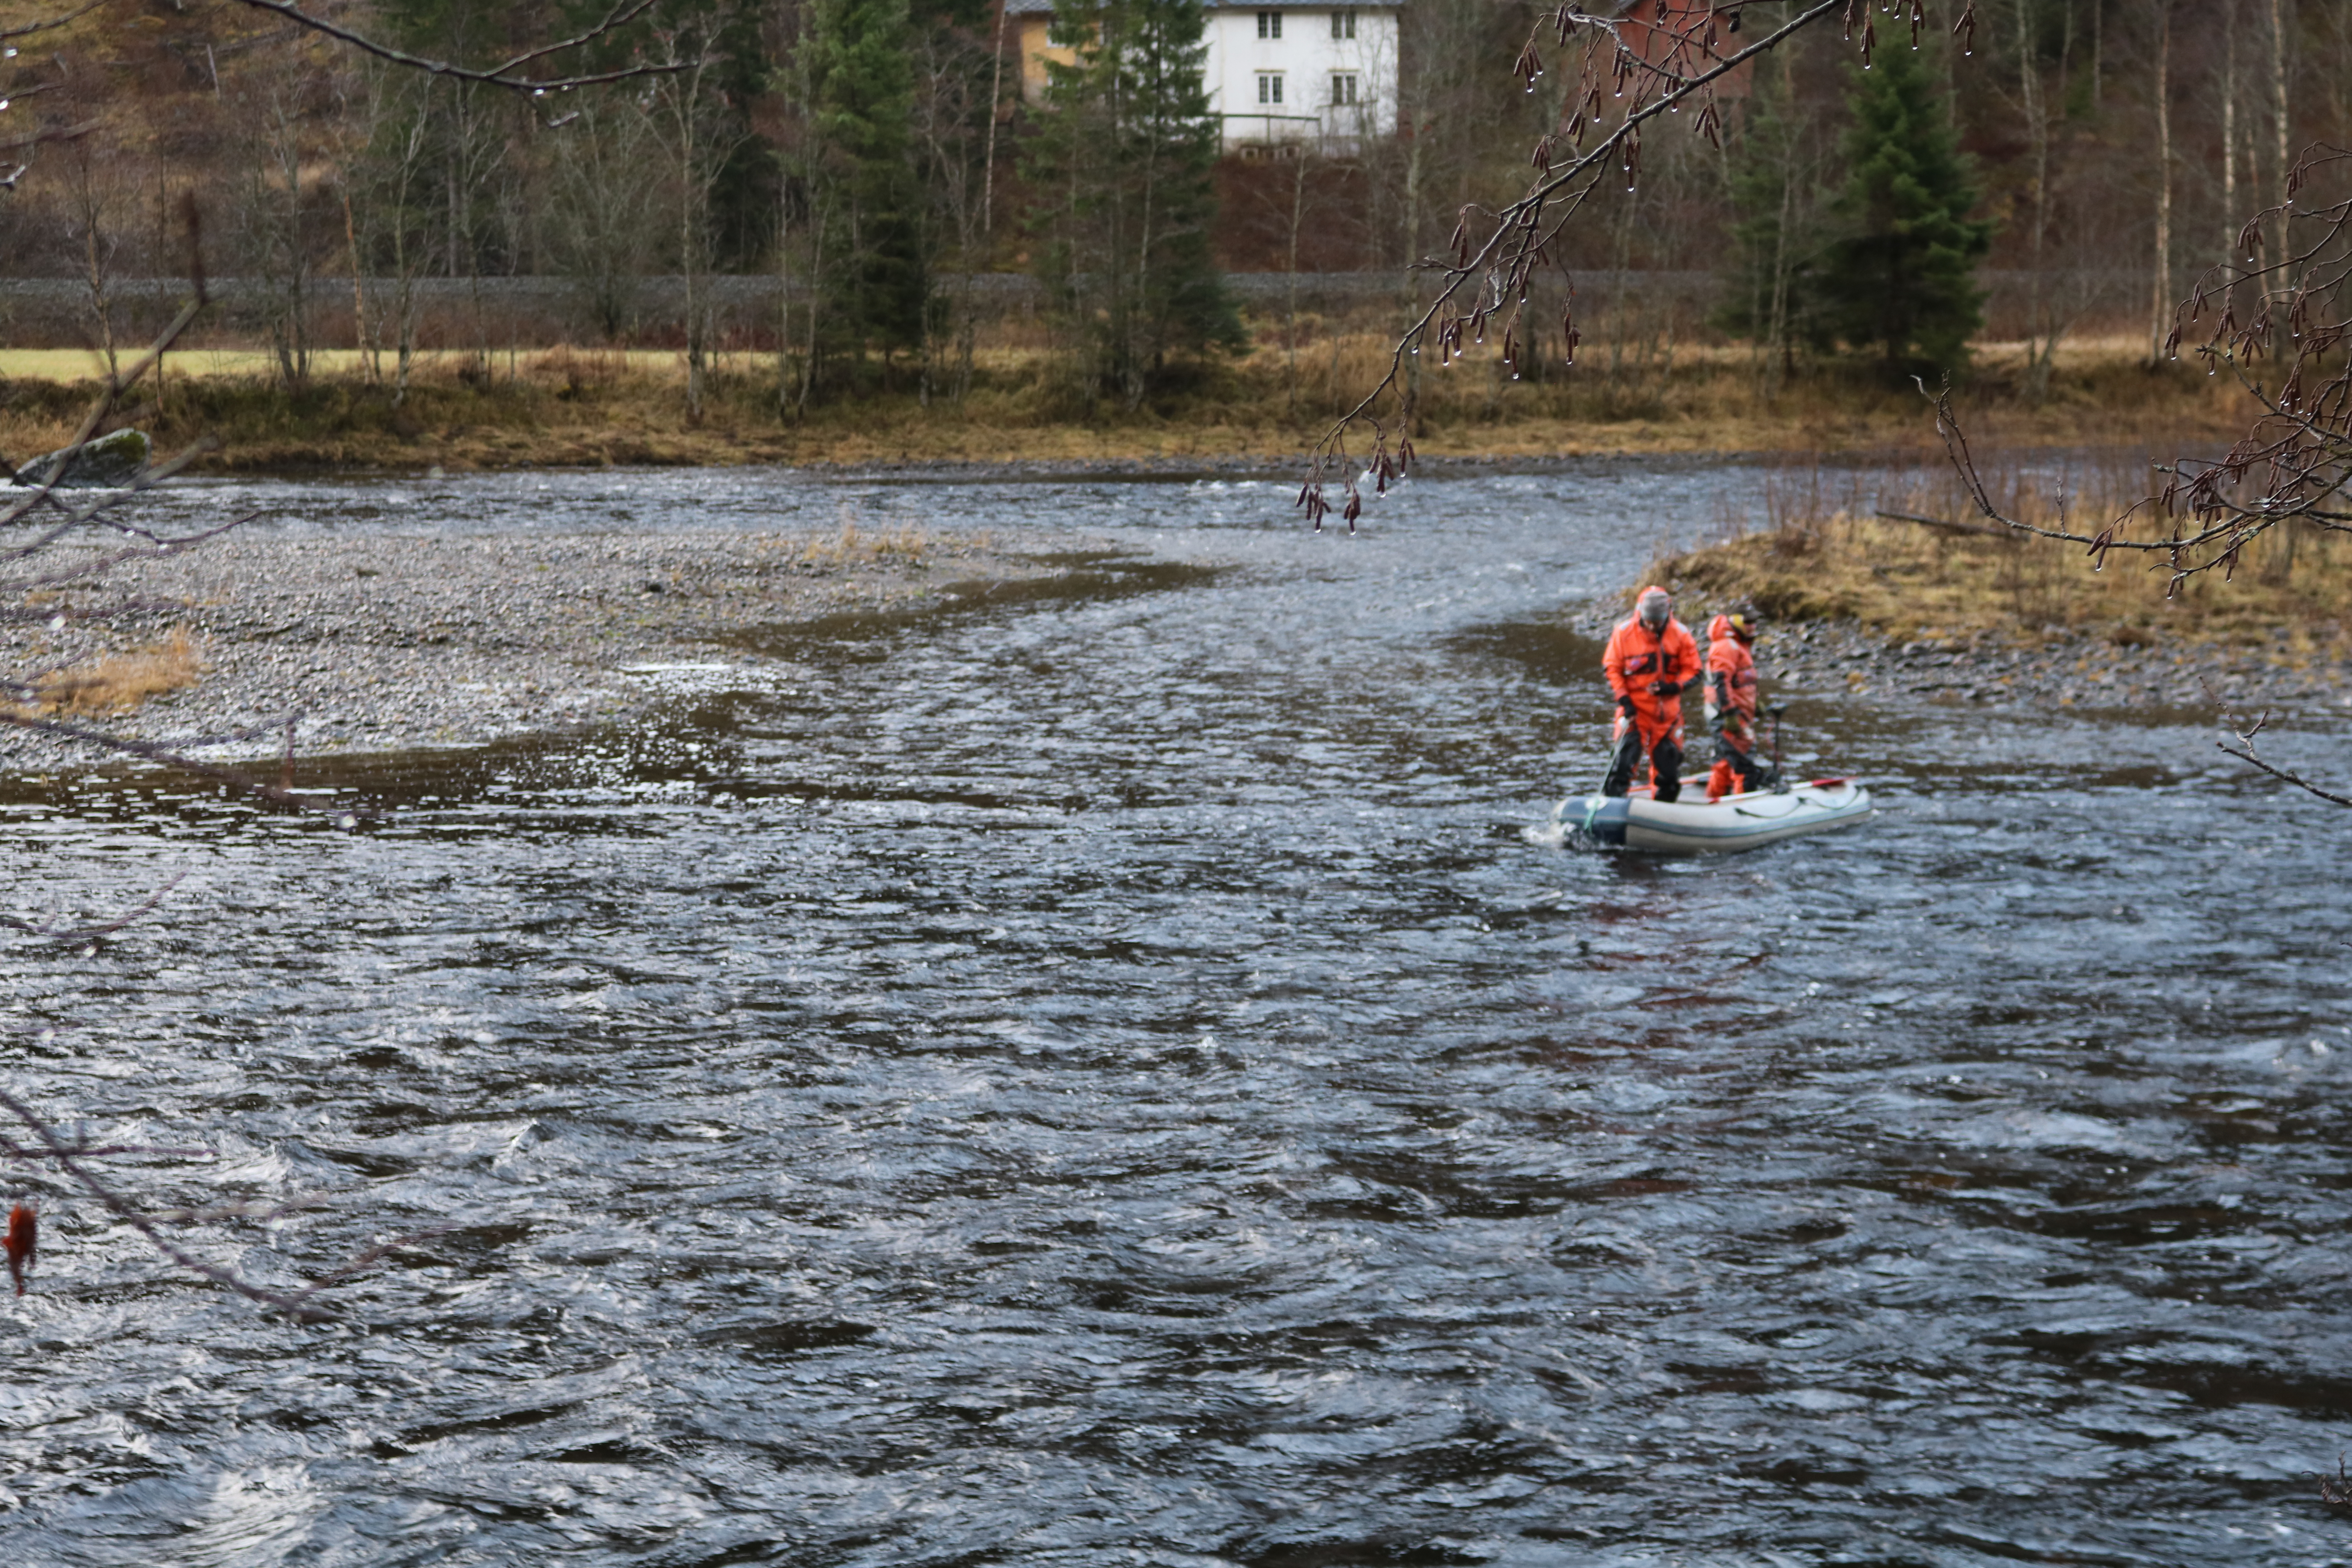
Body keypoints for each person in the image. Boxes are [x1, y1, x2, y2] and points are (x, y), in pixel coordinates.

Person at [1601, 585, 1702, 800]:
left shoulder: (1681, 635)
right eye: (1649, 620)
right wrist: (1624, 699)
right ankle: (1611, 808)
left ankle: (1663, 813)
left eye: (1657, 621)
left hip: (1668, 716)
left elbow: (1694, 670)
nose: (1653, 625)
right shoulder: (1624, 633)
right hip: (1634, 712)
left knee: (1668, 773)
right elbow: (1613, 668)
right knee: (1622, 766)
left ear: (1667, 615)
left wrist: (1673, 687)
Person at [1704, 610, 1772, 801]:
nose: (1753, 626)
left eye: (1754, 622)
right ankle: (1743, 805)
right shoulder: (1726, 647)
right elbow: (1721, 683)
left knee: (1725, 761)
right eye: (1747, 622)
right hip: (1727, 716)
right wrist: (1730, 715)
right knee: (1745, 765)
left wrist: (1756, 701)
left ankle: (1714, 798)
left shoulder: (1740, 646)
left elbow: (1744, 681)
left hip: (1739, 713)